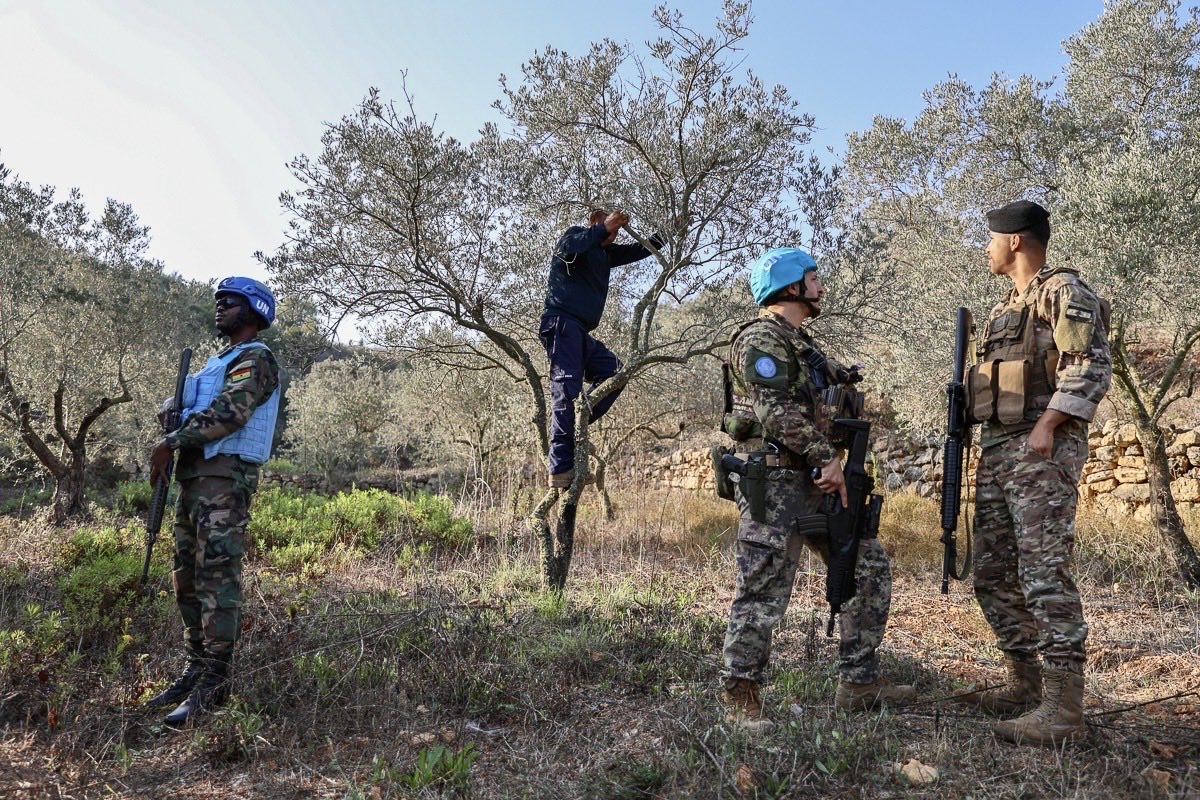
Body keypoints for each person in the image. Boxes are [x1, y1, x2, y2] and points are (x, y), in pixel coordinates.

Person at [719, 248, 914, 735]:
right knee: (763, 587)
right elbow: (773, 410)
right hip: (778, 482)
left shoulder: (803, 345)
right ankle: (740, 694)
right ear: (789, 286)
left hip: (821, 482)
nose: (820, 287)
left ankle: (859, 682)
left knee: (866, 566)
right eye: (812, 279)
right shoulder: (761, 338)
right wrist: (824, 456)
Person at [957, 200, 1112, 745]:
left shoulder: (1063, 292)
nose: (987, 247)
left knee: (1045, 572)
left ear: (1016, 241)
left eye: (991, 238)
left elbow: (1090, 365)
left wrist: (1048, 426)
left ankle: (1064, 708)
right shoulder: (1005, 309)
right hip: (999, 451)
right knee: (993, 573)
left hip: (1041, 450)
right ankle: (1024, 685)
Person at [144, 276, 281, 726]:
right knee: (187, 576)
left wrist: (172, 439)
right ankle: (195, 670)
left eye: (231, 302)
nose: (220, 306)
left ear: (254, 311)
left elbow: (231, 412)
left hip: (224, 481)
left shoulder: (256, 359)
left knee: (217, 579)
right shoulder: (216, 362)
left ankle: (216, 682)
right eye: (219, 300)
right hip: (195, 480)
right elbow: (204, 407)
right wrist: (174, 411)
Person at [539, 208, 662, 488]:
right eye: (611, 228)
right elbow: (570, 248)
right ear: (595, 222)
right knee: (566, 391)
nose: (614, 235)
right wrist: (604, 228)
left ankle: (576, 423)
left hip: (580, 331)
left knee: (614, 372)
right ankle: (560, 469)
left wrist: (671, 230)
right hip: (561, 322)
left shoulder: (605, 254)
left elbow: (641, 250)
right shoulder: (574, 238)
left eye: (617, 231)